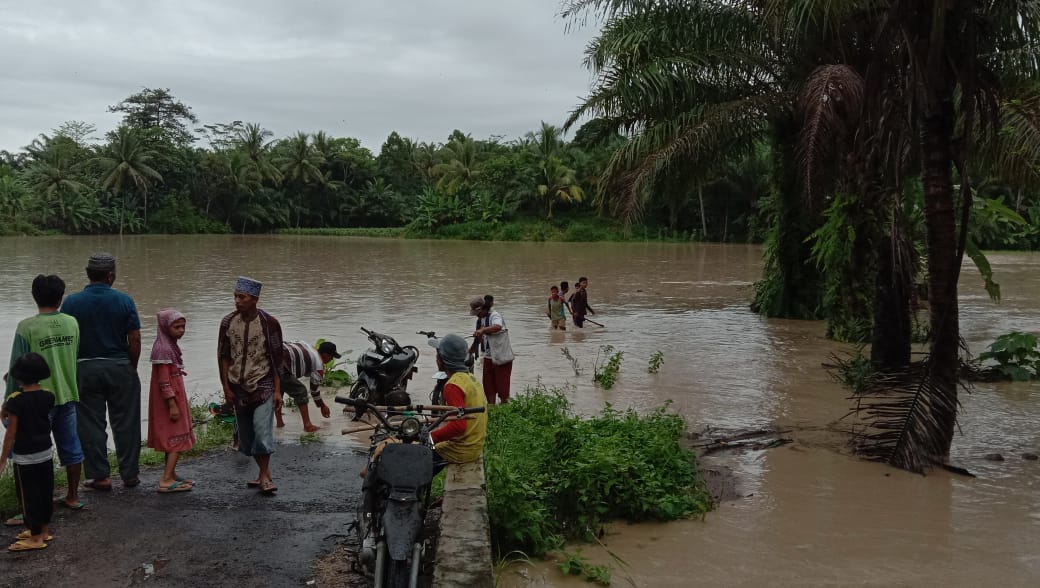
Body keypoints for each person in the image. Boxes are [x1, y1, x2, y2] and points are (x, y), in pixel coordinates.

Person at [61, 253, 143, 491]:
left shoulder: (71, 303)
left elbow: (68, 340)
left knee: (90, 424)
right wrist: (130, 367)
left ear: (88, 274)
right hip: (119, 366)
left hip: (84, 368)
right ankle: (130, 475)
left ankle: (100, 476)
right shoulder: (124, 300)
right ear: (111, 275)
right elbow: (135, 338)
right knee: (126, 422)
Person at [5, 275, 84, 511]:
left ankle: (30, 508)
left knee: (31, 452)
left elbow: (15, 367)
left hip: (34, 400)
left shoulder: (27, 327)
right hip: (68, 393)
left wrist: (8, 401)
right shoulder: (72, 323)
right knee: (71, 447)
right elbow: (74, 356)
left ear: (34, 296)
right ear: (61, 298)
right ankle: (72, 496)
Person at [218, 276, 284, 495]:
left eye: (242, 297)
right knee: (247, 438)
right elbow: (223, 357)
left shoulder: (269, 323)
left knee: (262, 431)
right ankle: (262, 473)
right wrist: (226, 387)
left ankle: (265, 476)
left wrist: (277, 390)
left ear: (254, 299)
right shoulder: (228, 322)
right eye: (235, 296)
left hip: (263, 385)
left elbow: (276, 358)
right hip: (238, 387)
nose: (237, 301)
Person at [0, 353, 56, 551]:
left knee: (28, 497)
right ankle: (44, 530)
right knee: (44, 493)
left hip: (26, 458)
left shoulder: (16, 401)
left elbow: (11, 433)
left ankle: (35, 538)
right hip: (45, 453)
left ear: (18, 377)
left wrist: (3, 459)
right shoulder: (49, 396)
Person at [147, 310, 196, 493]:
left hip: (175, 397)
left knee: (173, 438)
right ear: (166, 328)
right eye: (176, 327)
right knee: (177, 438)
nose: (181, 331)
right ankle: (166, 479)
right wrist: (172, 404)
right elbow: (164, 381)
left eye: (183, 327)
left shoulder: (169, 345)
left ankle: (171, 473)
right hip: (169, 401)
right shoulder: (163, 349)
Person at [430, 334, 487, 471]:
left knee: (413, 459)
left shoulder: (453, 385)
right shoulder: (470, 378)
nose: (436, 359)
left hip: (461, 450)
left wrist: (430, 437)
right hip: (475, 446)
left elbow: (458, 426)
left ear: (442, 360)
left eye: (437, 356)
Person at [275, 340, 339, 432]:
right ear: (325, 355)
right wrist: (322, 406)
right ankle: (307, 425)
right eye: (331, 356)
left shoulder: (307, 346)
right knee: (301, 391)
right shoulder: (318, 364)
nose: (332, 359)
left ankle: (279, 423)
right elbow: (314, 391)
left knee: (280, 390)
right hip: (282, 364)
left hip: (275, 354)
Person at [469, 295, 514, 405]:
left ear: (482, 309)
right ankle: (492, 410)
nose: (477, 316)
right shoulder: (480, 320)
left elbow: (497, 327)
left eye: (477, 313)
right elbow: (478, 339)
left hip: (501, 357)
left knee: (503, 389)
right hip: (488, 357)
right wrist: (470, 350)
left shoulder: (495, 315)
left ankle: (504, 410)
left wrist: (483, 330)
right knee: (488, 386)